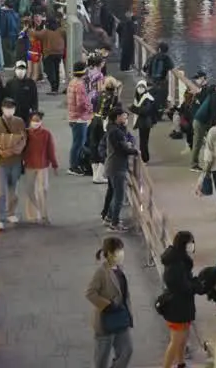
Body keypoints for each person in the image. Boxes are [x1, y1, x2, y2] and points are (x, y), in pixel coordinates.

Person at [86, 236, 134, 368]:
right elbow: (90, 293)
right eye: (118, 251)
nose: (121, 253)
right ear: (109, 254)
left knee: (126, 351)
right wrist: (107, 305)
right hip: (106, 321)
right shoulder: (101, 272)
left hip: (121, 317)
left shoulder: (120, 269)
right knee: (101, 359)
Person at [0, 98, 27, 231]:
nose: (9, 110)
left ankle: (11, 213)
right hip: (0, 161)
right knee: (0, 191)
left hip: (15, 161)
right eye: (6, 107)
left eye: (11, 107)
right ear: (2, 108)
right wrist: (1, 152)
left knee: (13, 190)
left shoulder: (19, 122)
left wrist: (14, 151)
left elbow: (23, 139)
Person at [159, 231, 197, 368]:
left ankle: (181, 363)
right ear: (184, 244)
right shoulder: (176, 264)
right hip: (177, 307)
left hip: (183, 306)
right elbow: (182, 286)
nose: (192, 245)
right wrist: (195, 286)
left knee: (182, 339)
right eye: (190, 242)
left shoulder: (180, 259)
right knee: (176, 341)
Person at [102, 107, 136, 231]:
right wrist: (135, 151)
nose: (126, 118)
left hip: (112, 166)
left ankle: (110, 217)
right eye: (123, 116)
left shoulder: (113, 130)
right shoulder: (115, 132)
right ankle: (114, 223)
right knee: (119, 196)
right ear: (117, 117)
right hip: (117, 167)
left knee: (115, 194)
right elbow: (122, 149)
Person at [22, 110, 58, 224]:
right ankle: (32, 215)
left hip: (42, 166)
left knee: (43, 190)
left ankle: (44, 215)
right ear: (30, 121)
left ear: (41, 121)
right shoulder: (25, 133)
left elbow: (50, 150)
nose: (36, 122)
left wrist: (54, 164)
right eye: (34, 120)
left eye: (38, 120)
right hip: (29, 165)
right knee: (30, 190)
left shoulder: (46, 134)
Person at [89, 78, 122, 184]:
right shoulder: (114, 97)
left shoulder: (99, 94)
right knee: (104, 147)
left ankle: (95, 175)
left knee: (94, 145)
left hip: (94, 121)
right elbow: (117, 110)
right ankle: (99, 175)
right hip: (104, 123)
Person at [67, 61, 93, 176]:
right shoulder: (80, 85)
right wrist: (90, 108)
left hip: (73, 116)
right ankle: (74, 166)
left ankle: (74, 164)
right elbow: (81, 103)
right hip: (79, 118)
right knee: (78, 143)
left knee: (76, 142)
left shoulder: (72, 82)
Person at [187, 73, 215, 169]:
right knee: (198, 143)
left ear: (203, 79)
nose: (195, 81)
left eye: (197, 79)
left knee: (199, 143)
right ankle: (195, 164)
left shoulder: (205, 91)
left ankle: (197, 163)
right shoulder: (202, 91)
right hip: (202, 120)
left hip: (201, 120)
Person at [129, 79, 159, 163]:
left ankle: (144, 158)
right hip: (142, 122)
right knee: (143, 141)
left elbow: (145, 111)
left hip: (145, 123)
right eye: (139, 87)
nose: (140, 89)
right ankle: (144, 158)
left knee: (143, 142)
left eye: (142, 87)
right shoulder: (140, 97)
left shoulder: (147, 98)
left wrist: (133, 109)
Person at [33, 19, 67, 93]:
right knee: (56, 69)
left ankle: (54, 86)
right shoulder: (61, 31)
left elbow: (35, 35)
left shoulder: (45, 32)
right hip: (59, 53)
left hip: (49, 53)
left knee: (49, 70)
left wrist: (29, 29)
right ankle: (56, 88)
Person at [143, 42, 175, 116]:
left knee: (152, 97)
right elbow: (172, 67)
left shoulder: (152, 57)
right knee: (161, 98)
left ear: (159, 49)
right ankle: (159, 113)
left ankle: (151, 112)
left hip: (151, 82)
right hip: (162, 82)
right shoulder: (166, 58)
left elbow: (144, 68)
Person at [4, 60, 40, 124]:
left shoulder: (31, 83)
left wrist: (34, 111)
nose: (20, 70)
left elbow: (34, 99)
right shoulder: (10, 83)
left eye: (22, 68)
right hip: (14, 113)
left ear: (26, 70)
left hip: (27, 114)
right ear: (15, 69)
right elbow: (6, 98)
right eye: (19, 68)